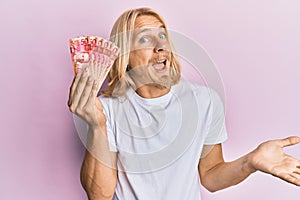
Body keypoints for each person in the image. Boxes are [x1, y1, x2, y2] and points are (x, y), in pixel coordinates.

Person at [68, 7, 300, 200]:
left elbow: (210, 176)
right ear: (125, 57)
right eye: (145, 38)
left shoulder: (204, 101)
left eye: (162, 36)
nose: (160, 46)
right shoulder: (106, 109)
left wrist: (251, 161)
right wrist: (97, 127)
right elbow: (100, 196)